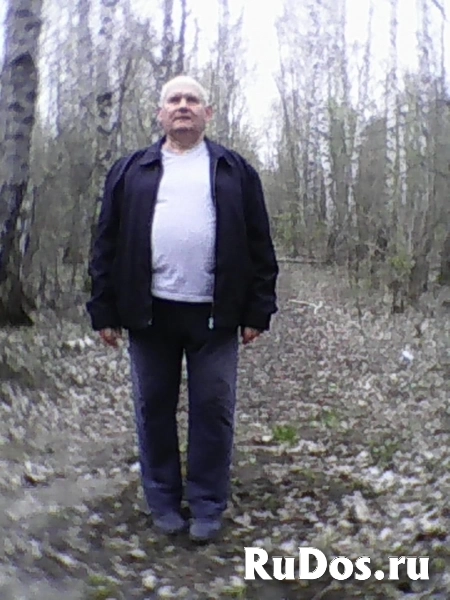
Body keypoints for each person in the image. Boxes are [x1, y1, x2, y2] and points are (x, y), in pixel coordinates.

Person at [86, 75, 278, 544]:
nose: (183, 106)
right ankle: (163, 500)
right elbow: (106, 242)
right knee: (153, 407)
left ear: (208, 113)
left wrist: (258, 311)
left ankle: (208, 503)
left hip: (216, 314)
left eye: (193, 100)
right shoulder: (131, 170)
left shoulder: (234, 170)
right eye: (174, 100)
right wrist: (104, 309)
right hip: (149, 311)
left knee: (213, 410)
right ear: (160, 112)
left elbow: (260, 243)